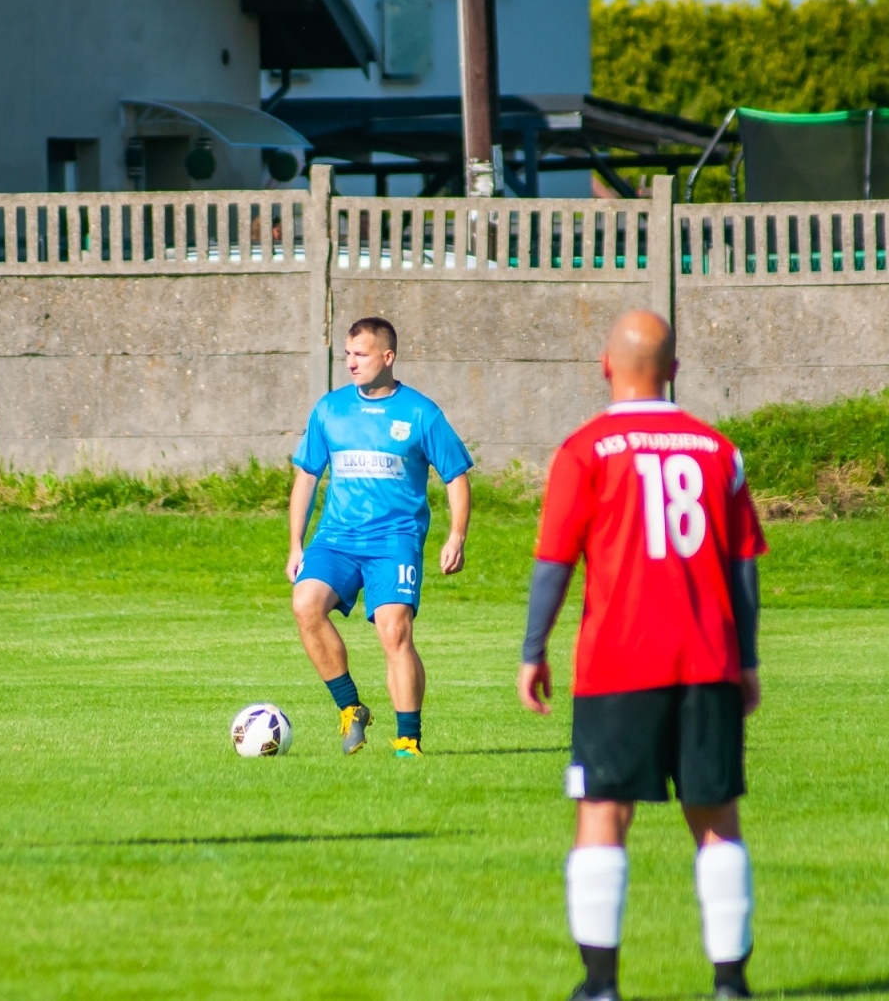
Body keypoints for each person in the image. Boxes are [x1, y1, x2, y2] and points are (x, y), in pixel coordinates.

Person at [519, 310, 766, 1000]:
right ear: (675, 371)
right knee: (716, 817)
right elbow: (743, 565)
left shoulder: (586, 449)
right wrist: (746, 660)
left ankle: (599, 986)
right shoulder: (719, 451)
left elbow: (553, 561)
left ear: (606, 365)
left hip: (617, 665)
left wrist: (533, 649)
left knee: (602, 813)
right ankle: (730, 985)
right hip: (708, 659)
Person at [287, 317, 473, 757]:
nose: (351, 363)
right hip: (337, 537)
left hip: (395, 540)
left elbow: (456, 475)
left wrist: (457, 535)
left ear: (387, 357)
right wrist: (295, 543)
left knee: (394, 632)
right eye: (347, 354)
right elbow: (306, 476)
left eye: (361, 354)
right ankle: (351, 708)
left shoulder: (420, 412)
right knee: (305, 604)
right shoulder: (329, 409)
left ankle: (408, 740)